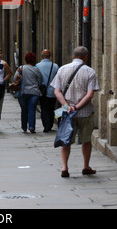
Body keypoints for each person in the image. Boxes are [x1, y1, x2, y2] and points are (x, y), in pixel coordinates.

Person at [51, 46, 99, 178]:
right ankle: (85, 166)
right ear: (86, 57)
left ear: (73, 56)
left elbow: (57, 91)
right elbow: (90, 95)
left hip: (66, 113)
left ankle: (65, 167)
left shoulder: (62, 69)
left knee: (66, 140)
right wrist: (77, 107)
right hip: (85, 112)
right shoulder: (90, 72)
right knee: (86, 140)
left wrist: (66, 106)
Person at [17, 52, 42, 133]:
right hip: (34, 92)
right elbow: (39, 81)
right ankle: (31, 127)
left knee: (24, 110)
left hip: (23, 92)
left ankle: (24, 127)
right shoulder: (36, 69)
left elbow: (15, 79)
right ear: (34, 60)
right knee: (32, 109)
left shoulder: (21, 68)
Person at [36, 49, 59, 132]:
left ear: (42, 56)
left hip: (42, 91)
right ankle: (50, 124)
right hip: (53, 91)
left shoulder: (37, 66)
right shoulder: (55, 66)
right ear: (50, 56)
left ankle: (46, 125)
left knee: (44, 108)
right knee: (52, 108)